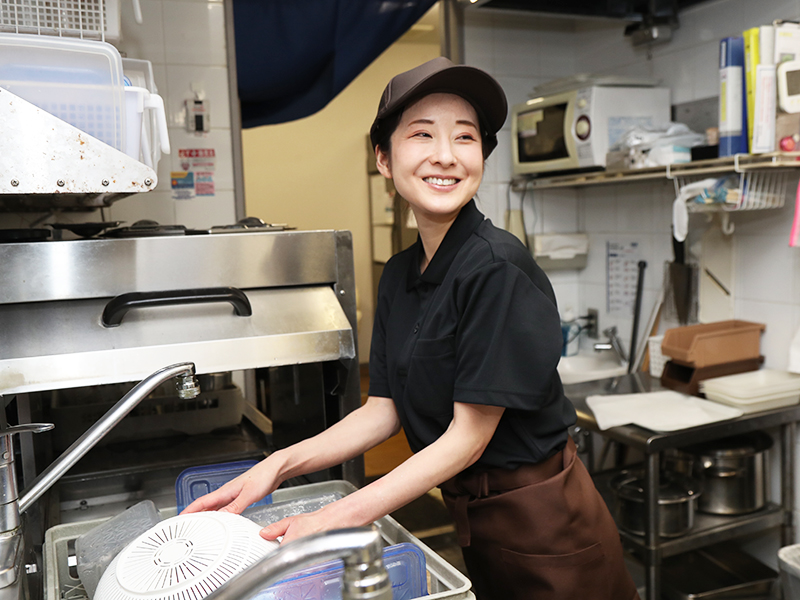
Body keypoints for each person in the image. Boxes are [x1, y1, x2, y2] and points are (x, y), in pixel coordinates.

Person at [183, 57, 639, 600]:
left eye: (465, 137)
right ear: (384, 157)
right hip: (473, 513)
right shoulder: (401, 273)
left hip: (545, 522)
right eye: (422, 134)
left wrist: (336, 516)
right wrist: (277, 466)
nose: (446, 155)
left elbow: (468, 439)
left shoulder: (497, 268)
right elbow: (385, 409)